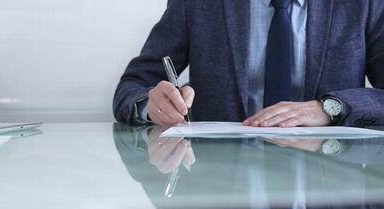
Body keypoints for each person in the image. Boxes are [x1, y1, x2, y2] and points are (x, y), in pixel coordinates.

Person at [113, 0, 384, 127]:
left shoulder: (365, 4)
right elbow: (134, 84)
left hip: (333, 178)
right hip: (217, 182)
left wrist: (330, 108)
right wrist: (153, 105)